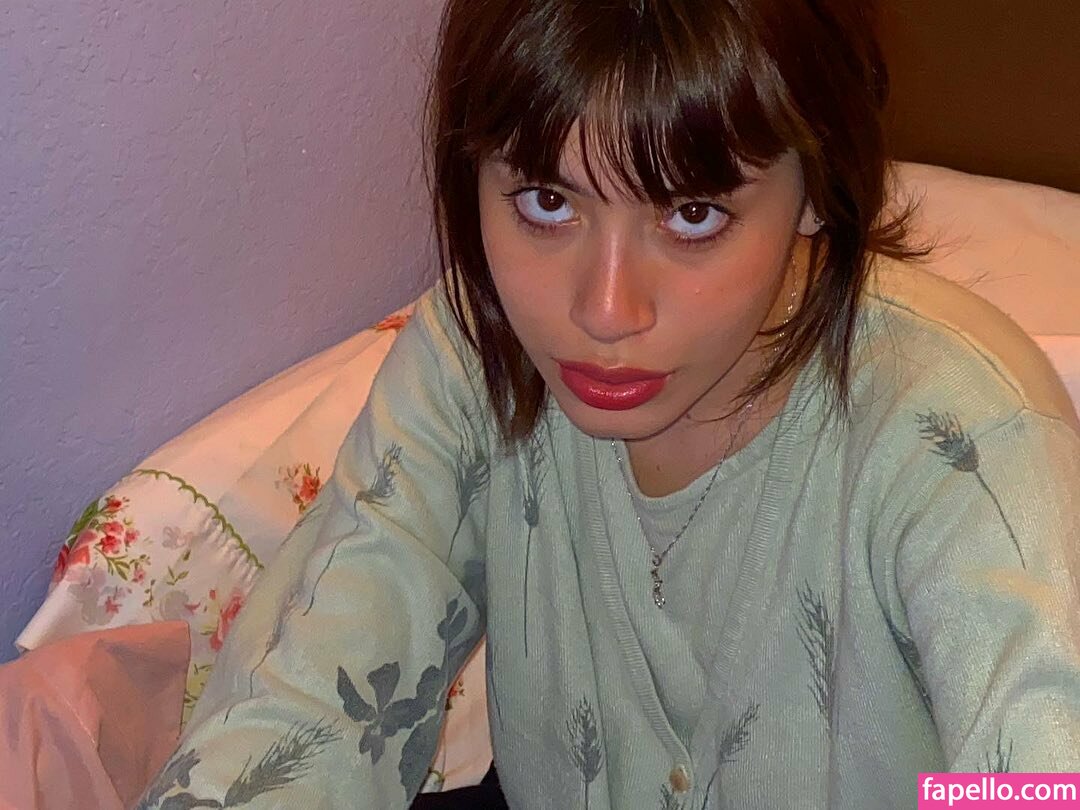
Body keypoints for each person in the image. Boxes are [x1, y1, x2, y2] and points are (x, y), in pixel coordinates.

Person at [139, 1, 1080, 808]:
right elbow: (311, 695)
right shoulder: (477, 353)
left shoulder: (959, 439)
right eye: (547, 203)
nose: (604, 311)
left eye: (693, 214)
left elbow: (1037, 773)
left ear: (816, 187)